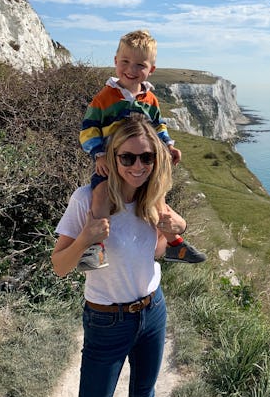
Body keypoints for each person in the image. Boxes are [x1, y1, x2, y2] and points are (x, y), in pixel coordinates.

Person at [52, 114, 187, 397]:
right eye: (127, 157)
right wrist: (86, 237)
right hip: (107, 320)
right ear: (112, 158)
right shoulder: (86, 200)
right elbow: (60, 267)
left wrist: (175, 229)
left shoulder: (153, 198)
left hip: (152, 311)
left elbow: (155, 253)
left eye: (146, 157)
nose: (138, 166)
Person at [78, 29, 206, 270]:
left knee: (158, 197)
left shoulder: (151, 100)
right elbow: (88, 130)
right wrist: (99, 154)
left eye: (139, 65)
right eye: (125, 62)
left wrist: (168, 145)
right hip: (112, 164)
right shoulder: (104, 98)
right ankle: (96, 246)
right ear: (115, 62)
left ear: (151, 70)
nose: (131, 69)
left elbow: (158, 126)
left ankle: (174, 243)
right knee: (100, 195)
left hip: (142, 164)